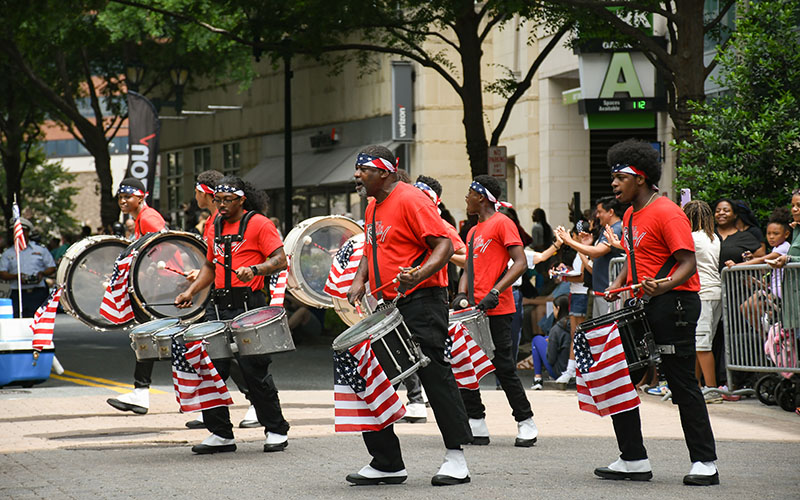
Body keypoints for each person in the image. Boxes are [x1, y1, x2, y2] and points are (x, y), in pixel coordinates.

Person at [347, 145, 472, 486]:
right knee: (369, 376)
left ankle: (456, 457)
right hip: (391, 306)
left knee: (433, 374)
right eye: (357, 169)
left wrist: (419, 273)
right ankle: (387, 462)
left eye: (364, 170)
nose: (357, 175)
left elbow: (444, 244)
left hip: (423, 301)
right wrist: (360, 279)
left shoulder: (412, 199)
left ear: (384, 172)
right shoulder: (373, 206)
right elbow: (371, 250)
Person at [596, 138, 718, 486]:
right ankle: (633, 458)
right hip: (642, 306)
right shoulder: (632, 214)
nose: (614, 184)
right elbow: (635, 258)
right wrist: (618, 281)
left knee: (681, 384)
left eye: (620, 177)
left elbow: (687, 263)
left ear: (641, 177)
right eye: (613, 177)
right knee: (619, 379)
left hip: (674, 304)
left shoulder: (667, 212)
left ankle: (705, 462)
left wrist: (663, 286)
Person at [175, 175, 291, 455]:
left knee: (254, 370)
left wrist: (255, 270)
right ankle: (221, 434)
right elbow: (210, 267)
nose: (222, 205)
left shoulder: (259, 224)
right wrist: (192, 291)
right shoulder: (213, 226)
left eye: (228, 200)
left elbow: (280, 259)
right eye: (218, 200)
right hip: (218, 305)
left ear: (242, 199)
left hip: (250, 305)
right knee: (211, 369)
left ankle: (275, 429)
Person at [451, 175, 538, 449]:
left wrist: (495, 292)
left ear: (482, 197)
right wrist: (462, 293)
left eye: (470, 194)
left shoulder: (503, 222)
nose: (466, 198)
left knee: (503, 367)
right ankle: (476, 423)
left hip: (499, 308)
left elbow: (520, 262)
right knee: (465, 365)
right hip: (473, 311)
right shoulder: (473, 230)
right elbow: (468, 265)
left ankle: (526, 423)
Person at [106, 178, 166, 415]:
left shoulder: (149, 218)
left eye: (127, 197)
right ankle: (140, 393)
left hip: (166, 290)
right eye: (120, 197)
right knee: (145, 338)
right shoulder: (139, 219)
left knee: (203, 348)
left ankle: (252, 398)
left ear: (141, 197)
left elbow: (166, 247)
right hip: (156, 288)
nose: (122, 201)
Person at [557, 196, 626, 319]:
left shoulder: (615, 229)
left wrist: (571, 242)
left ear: (611, 212)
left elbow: (597, 252)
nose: (597, 216)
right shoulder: (607, 230)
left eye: (600, 212)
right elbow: (595, 260)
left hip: (610, 293)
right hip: (601, 291)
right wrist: (584, 246)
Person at [683, 200, 722, 403]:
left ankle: (712, 389)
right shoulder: (714, 237)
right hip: (715, 292)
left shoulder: (691, 238)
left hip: (703, 293)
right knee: (701, 342)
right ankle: (696, 385)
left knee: (702, 344)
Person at [0, 217, 56, 317]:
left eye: (23, 231)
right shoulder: (8, 253)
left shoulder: (40, 250)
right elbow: (2, 272)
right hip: (17, 292)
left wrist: (42, 274)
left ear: (27, 232)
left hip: (37, 292)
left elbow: (51, 267)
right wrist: (16, 276)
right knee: (18, 320)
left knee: (38, 321)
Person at [767, 188, 800, 335]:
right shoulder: (796, 229)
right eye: (793, 205)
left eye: (799, 206)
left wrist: (789, 259)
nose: (794, 209)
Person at [530, 294, 570, 389]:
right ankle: (537, 379)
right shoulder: (575, 325)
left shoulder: (557, 329)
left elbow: (551, 359)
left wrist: (550, 345)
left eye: (553, 308)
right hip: (573, 370)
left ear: (558, 308)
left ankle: (537, 378)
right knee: (545, 339)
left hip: (558, 371)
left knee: (537, 340)